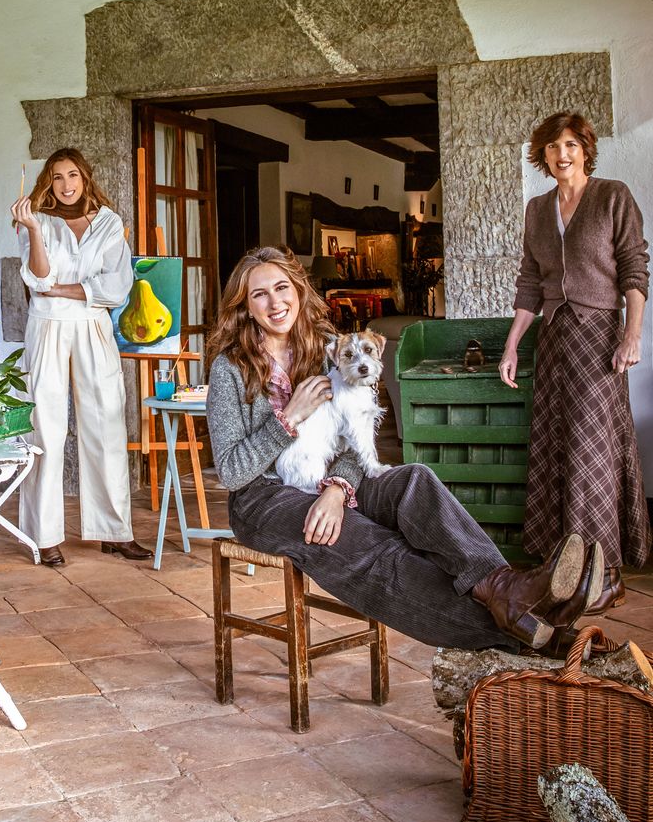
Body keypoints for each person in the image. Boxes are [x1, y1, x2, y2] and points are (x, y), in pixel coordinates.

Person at [206, 245, 601, 653]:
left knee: (414, 481)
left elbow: (352, 431)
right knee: (368, 544)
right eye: (259, 294)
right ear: (244, 306)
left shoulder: (327, 345)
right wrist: (288, 418)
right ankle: (523, 639)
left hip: (327, 477)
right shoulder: (229, 368)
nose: (275, 302)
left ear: (299, 291)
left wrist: (338, 488)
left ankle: (508, 592)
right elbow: (233, 472)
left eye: (282, 287)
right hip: (264, 498)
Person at [500, 111, 650, 612]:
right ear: (541, 155)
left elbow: (634, 269)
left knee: (593, 453)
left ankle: (602, 571)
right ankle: (561, 566)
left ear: (585, 149)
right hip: (555, 338)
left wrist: (632, 335)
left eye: (570, 144)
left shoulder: (612, 197)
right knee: (555, 444)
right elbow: (529, 282)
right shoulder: (537, 210)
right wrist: (513, 343)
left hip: (599, 338)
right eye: (552, 147)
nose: (562, 154)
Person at [10, 148, 152, 567]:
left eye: (73, 175)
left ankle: (114, 531)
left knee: (106, 424)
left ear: (85, 178)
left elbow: (116, 287)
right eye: (57, 177)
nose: (66, 184)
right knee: (45, 430)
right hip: (48, 327)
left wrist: (60, 288)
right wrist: (34, 230)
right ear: (48, 183)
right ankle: (43, 535)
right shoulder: (37, 221)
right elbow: (38, 277)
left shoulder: (109, 223)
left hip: (93, 327)